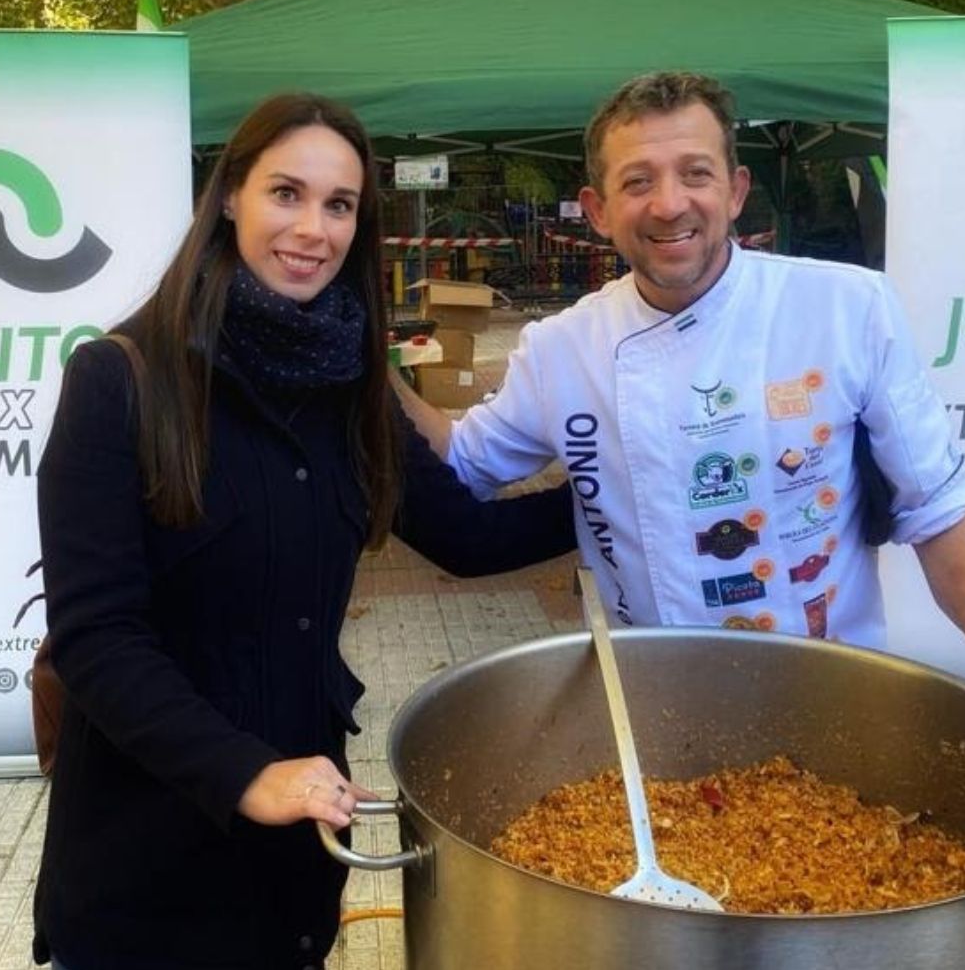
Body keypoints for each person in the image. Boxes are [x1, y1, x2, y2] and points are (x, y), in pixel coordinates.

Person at [397, 71, 965, 771]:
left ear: (737, 190)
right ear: (597, 208)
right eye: (638, 181)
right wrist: (371, 371)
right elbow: (462, 460)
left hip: (832, 698)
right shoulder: (562, 349)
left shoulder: (847, 310)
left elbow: (940, 512)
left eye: (696, 173)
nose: (669, 204)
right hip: (649, 708)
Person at [31, 94, 575, 970]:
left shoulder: (349, 380)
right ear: (231, 197)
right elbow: (98, 641)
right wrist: (248, 773)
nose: (312, 228)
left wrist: (612, 497)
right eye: (287, 193)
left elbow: (465, 538)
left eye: (339, 204)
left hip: (292, 869)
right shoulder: (117, 381)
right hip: (146, 864)